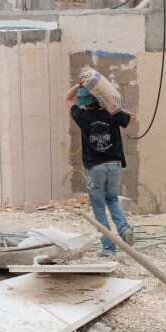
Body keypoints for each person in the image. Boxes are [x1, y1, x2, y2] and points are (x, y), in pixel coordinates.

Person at [65, 81, 135, 256]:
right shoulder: (112, 114)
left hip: (95, 168)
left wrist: (79, 83)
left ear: (84, 102)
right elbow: (131, 117)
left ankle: (108, 248)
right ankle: (124, 228)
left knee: (98, 207)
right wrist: (109, 101)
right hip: (115, 165)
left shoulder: (80, 116)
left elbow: (66, 98)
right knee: (112, 199)